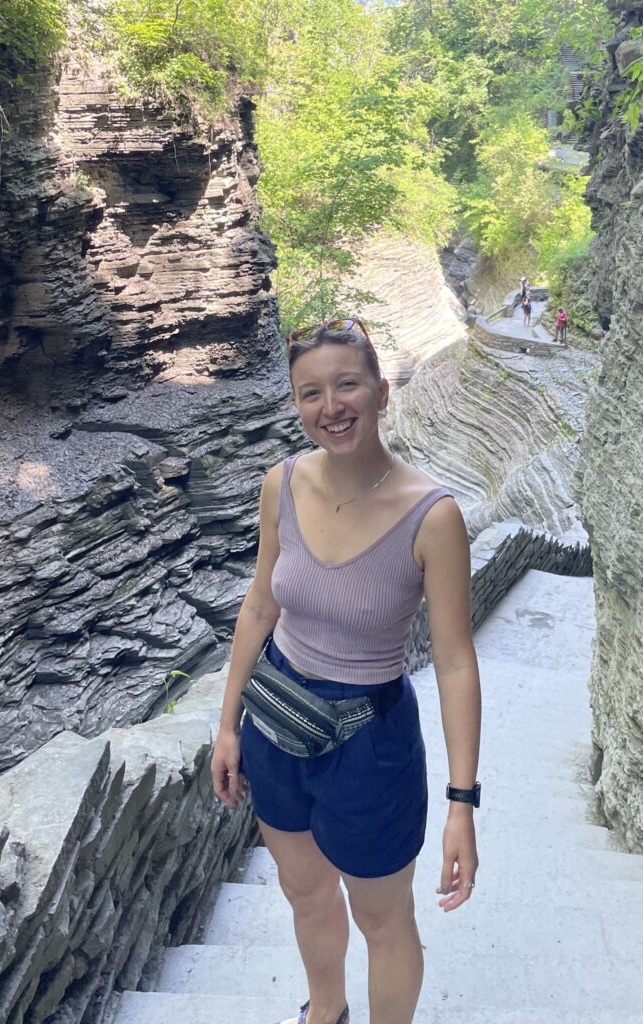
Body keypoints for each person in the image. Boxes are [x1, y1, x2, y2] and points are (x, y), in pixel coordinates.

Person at [211, 318, 482, 1024]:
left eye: (347, 385)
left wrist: (462, 804)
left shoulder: (432, 517)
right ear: (297, 404)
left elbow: (455, 660)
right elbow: (260, 605)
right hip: (275, 723)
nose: (331, 406)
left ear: (381, 391)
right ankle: (324, 1012)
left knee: (383, 920)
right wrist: (227, 725)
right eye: (311, 393)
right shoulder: (281, 484)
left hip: (371, 745)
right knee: (304, 892)